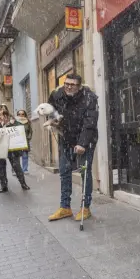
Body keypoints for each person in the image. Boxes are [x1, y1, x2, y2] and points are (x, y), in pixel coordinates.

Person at [46, 74, 98, 222]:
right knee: (64, 171)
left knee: (84, 172)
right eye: (67, 83)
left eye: (73, 84)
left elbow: (90, 122)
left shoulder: (89, 97)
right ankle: (65, 207)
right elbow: (50, 109)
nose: (69, 87)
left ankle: (85, 207)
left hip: (85, 139)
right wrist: (53, 120)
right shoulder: (57, 94)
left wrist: (82, 143)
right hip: (66, 137)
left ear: (79, 86)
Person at [0, 105, 30, 193]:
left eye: (4, 110)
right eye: (0, 110)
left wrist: (13, 123)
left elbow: (21, 128)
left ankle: (23, 183)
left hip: (12, 146)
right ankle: (4, 186)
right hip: (0, 146)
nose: (2, 111)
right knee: (1, 167)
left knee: (16, 165)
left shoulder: (12, 119)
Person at [14, 109, 33, 174]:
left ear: (25, 115)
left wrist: (28, 138)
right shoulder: (15, 122)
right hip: (16, 141)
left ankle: (25, 169)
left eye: (22, 114)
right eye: (19, 114)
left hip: (25, 141)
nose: (21, 115)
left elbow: (30, 131)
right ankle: (15, 170)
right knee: (16, 157)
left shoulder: (28, 122)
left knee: (25, 156)